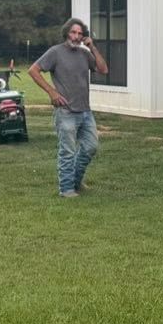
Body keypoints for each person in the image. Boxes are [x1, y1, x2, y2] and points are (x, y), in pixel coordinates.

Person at [29, 18, 108, 196]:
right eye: (73, 32)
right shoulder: (55, 52)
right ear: (66, 33)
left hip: (85, 111)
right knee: (68, 151)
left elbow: (103, 70)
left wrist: (92, 47)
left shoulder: (85, 53)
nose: (76, 36)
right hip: (66, 112)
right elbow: (33, 70)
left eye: (80, 33)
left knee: (91, 147)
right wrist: (52, 92)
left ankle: (75, 181)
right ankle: (66, 189)